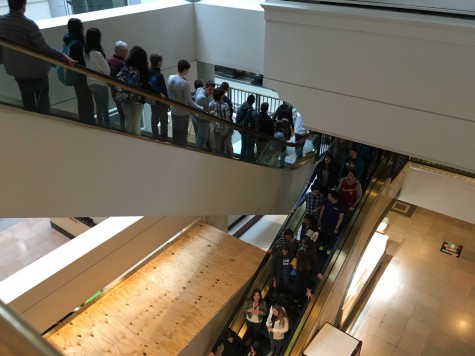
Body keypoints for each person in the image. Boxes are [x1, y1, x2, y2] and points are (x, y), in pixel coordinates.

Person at [0, 0, 74, 114]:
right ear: (23, 5)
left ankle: (32, 123)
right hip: (35, 70)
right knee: (42, 98)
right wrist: (64, 57)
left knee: (27, 97)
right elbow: (44, 48)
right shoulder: (28, 24)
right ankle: (45, 122)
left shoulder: (2, 21)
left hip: (15, 69)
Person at [63, 18, 94, 124]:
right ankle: (90, 123)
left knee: (81, 100)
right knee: (87, 101)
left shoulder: (68, 41)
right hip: (82, 76)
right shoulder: (78, 44)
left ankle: (83, 121)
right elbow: (82, 62)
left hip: (74, 76)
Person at [167, 59, 203, 146]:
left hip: (173, 109)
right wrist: (200, 108)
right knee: (183, 133)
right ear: (185, 69)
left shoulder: (170, 78)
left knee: (175, 131)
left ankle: (175, 147)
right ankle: (183, 149)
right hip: (183, 112)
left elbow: (168, 93)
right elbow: (189, 101)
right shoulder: (185, 83)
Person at [115, 46, 149, 136]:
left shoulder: (123, 65)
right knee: (136, 120)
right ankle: (137, 140)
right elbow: (146, 85)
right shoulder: (143, 69)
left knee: (128, 119)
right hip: (137, 98)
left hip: (124, 97)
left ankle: (129, 140)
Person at [84, 28, 110, 129]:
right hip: (100, 83)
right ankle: (107, 128)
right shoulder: (97, 54)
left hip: (90, 82)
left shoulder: (86, 52)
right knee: (105, 108)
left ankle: (100, 126)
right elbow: (107, 71)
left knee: (98, 107)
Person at [107, 40, 128, 131]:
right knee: (127, 114)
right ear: (122, 52)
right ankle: (127, 132)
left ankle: (123, 131)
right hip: (124, 93)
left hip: (114, 92)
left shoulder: (108, 61)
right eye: (126, 50)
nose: (127, 52)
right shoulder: (123, 64)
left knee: (121, 113)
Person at [148, 53, 169, 140]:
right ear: (158, 63)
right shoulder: (159, 75)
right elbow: (164, 90)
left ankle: (155, 137)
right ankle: (164, 139)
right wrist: (167, 102)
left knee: (154, 119)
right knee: (164, 121)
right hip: (161, 101)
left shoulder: (148, 71)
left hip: (152, 100)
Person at [318, 190, 345, 255]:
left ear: (333, 197)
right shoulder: (326, 201)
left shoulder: (340, 205)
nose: (328, 197)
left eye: (329, 196)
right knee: (324, 235)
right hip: (324, 222)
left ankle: (329, 250)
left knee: (331, 237)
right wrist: (319, 219)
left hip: (333, 225)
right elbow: (322, 210)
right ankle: (322, 247)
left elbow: (340, 218)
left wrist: (336, 228)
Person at [209, 87, 233, 157]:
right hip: (225, 128)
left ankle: (219, 157)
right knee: (228, 144)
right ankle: (230, 157)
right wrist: (231, 126)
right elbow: (227, 118)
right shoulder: (225, 105)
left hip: (216, 128)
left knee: (218, 144)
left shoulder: (211, 104)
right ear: (221, 96)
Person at [194, 80, 215, 150]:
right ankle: (198, 151)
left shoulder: (203, 93)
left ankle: (197, 150)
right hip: (202, 120)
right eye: (210, 89)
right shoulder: (202, 97)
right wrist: (209, 114)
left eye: (213, 90)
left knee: (200, 136)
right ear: (205, 87)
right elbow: (199, 112)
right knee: (203, 137)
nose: (211, 92)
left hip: (201, 119)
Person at [236, 94, 257, 162]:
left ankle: (241, 159)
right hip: (249, 132)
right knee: (249, 147)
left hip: (242, 130)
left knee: (243, 146)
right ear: (253, 101)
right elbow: (255, 124)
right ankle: (246, 161)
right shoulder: (253, 111)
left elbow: (237, 119)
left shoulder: (241, 108)